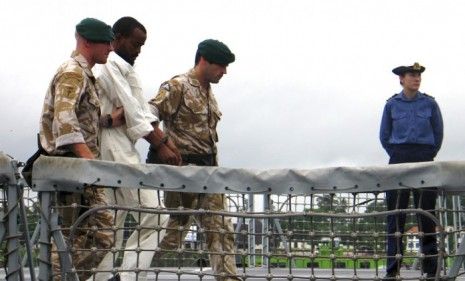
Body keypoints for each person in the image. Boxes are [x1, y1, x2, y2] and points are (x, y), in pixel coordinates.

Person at [91, 16, 181, 281]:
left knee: (113, 220)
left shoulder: (124, 68)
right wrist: (160, 143)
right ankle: (127, 276)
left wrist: (164, 140)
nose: (138, 50)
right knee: (155, 214)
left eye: (142, 45)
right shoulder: (110, 66)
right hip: (113, 146)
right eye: (135, 43)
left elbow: (136, 109)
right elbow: (133, 109)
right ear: (117, 38)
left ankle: (103, 277)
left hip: (119, 144)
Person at [147, 39, 239, 281]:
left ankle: (228, 278)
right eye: (220, 66)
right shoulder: (177, 86)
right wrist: (162, 145)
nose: (225, 72)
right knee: (172, 234)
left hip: (209, 174)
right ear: (204, 61)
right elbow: (146, 116)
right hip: (183, 174)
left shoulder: (209, 93)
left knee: (220, 230)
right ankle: (127, 272)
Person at [39, 18, 120, 281]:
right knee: (74, 236)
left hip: (81, 172)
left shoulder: (84, 74)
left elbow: (81, 118)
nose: (110, 47)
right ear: (87, 42)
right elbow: (64, 121)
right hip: (74, 171)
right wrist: (92, 165)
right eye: (106, 42)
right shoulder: (72, 71)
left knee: (88, 236)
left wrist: (108, 121)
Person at [379, 62, 443, 280]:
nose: (417, 79)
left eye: (418, 76)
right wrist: (399, 154)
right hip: (399, 159)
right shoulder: (391, 105)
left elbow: (438, 133)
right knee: (396, 216)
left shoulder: (430, 104)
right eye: (412, 75)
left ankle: (431, 268)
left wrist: (427, 154)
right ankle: (392, 269)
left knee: (426, 215)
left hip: (425, 158)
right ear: (401, 79)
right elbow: (384, 136)